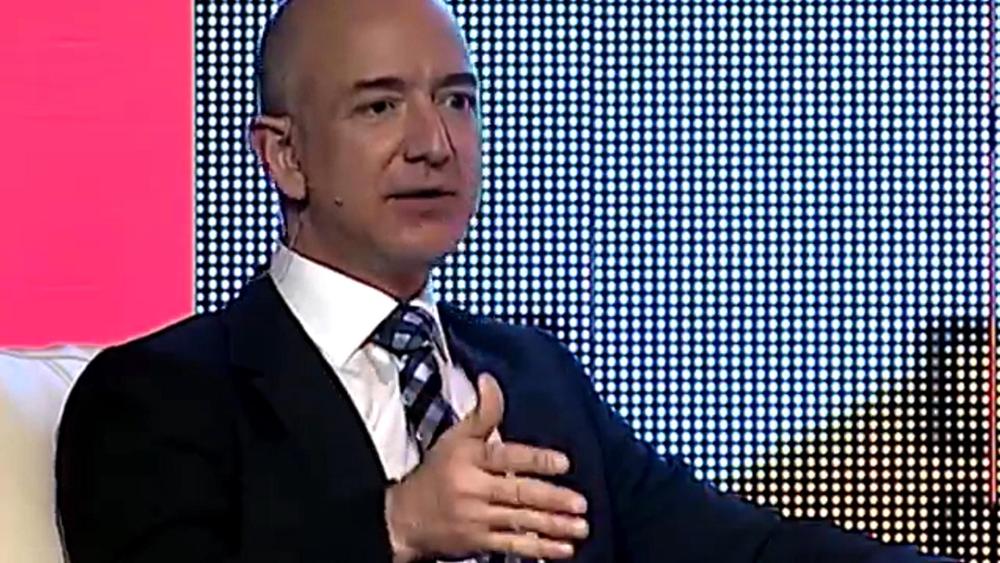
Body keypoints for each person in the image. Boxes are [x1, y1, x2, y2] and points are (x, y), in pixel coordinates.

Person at [56, 1, 954, 562]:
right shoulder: (160, 394)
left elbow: (736, 546)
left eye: (456, 100)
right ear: (285, 154)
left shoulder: (532, 373)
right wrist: (397, 525)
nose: (434, 143)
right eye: (380, 105)